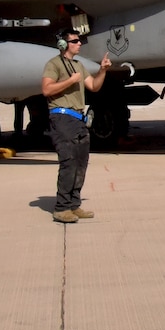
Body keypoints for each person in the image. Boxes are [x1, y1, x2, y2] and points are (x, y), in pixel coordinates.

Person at [42, 29, 110, 224]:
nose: (80, 44)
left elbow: (94, 86)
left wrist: (103, 70)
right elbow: (46, 89)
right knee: (69, 161)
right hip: (61, 118)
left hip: (78, 120)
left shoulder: (79, 66)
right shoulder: (54, 65)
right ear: (64, 45)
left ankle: (74, 204)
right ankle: (61, 208)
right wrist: (69, 81)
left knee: (81, 163)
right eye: (75, 41)